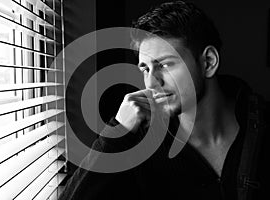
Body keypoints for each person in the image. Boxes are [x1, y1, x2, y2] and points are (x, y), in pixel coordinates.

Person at [59, 1, 269, 199]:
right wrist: (117, 133)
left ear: (208, 62)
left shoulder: (263, 126)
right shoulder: (141, 143)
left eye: (165, 65)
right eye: (145, 68)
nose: (151, 82)